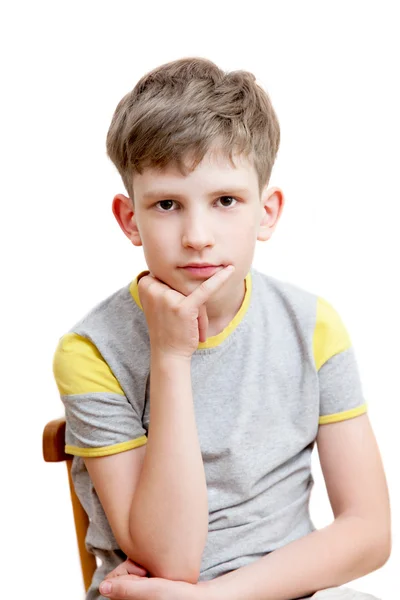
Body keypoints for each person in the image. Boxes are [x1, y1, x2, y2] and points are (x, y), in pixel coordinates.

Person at [52, 57, 391, 600]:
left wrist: (218, 598)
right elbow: (170, 559)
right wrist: (170, 356)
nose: (198, 235)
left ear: (267, 212)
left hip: (285, 588)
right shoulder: (91, 350)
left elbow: (369, 533)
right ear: (129, 219)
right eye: (167, 204)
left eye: (226, 201)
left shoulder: (312, 326)